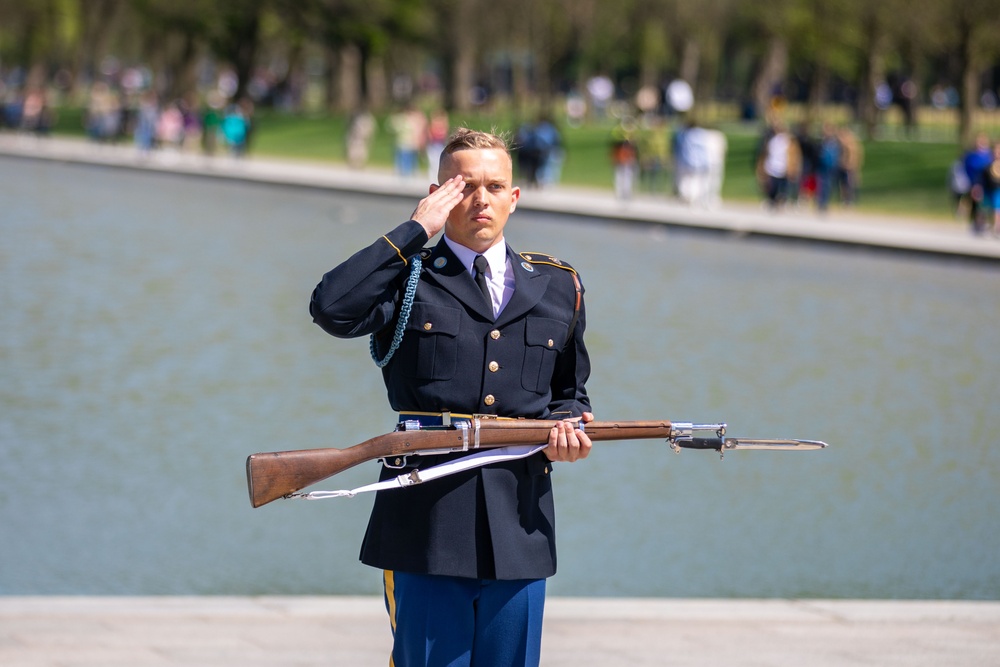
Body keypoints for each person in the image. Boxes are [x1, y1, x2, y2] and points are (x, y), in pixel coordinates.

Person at [309, 128, 594, 666]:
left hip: (520, 526)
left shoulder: (559, 285)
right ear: (439, 193)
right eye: (465, 187)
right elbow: (332, 308)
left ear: (514, 197)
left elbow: (569, 394)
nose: (481, 199)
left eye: (494, 186)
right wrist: (414, 231)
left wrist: (568, 430)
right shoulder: (407, 278)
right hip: (426, 525)